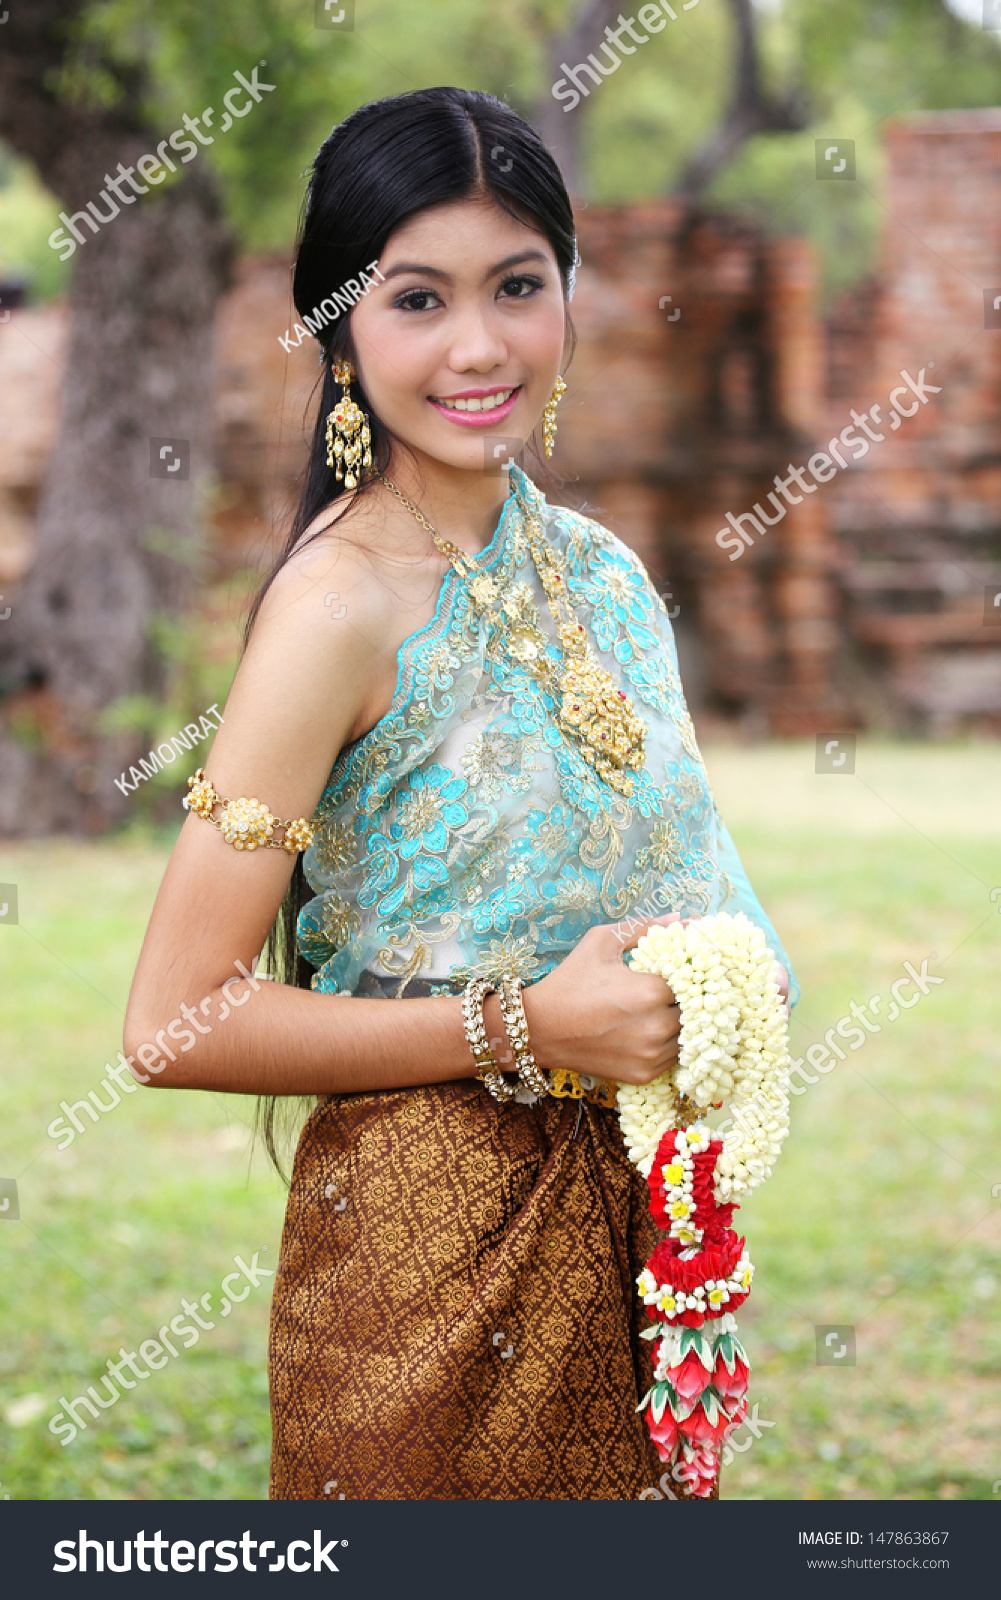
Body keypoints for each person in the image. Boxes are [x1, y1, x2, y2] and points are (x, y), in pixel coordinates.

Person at [125, 86, 797, 1502]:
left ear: (568, 296)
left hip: (639, 1223)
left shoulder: (608, 578)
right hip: (422, 1264)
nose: (479, 346)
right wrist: (528, 1024)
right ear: (340, 325)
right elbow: (173, 1019)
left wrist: (712, 991)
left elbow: (705, 898)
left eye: (517, 287)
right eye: (417, 299)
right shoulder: (335, 608)